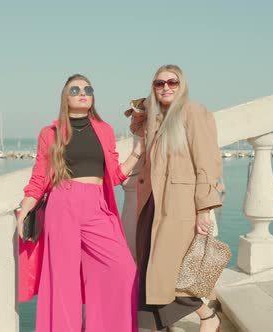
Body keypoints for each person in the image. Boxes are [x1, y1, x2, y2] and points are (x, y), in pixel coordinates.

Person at [17, 74, 143, 331]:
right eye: (75, 89)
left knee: (123, 269)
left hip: (97, 206)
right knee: (63, 283)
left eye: (88, 89)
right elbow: (39, 177)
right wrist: (26, 207)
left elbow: (115, 176)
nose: (82, 92)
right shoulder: (50, 133)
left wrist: (138, 151)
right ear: (65, 96)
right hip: (62, 204)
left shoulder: (104, 130)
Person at [134, 65, 224, 332]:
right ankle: (163, 325)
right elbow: (136, 121)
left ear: (182, 84)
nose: (166, 88)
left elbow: (206, 161)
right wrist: (146, 106)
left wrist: (204, 209)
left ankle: (207, 315)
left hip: (180, 205)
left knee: (172, 273)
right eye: (159, 84)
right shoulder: (158, 117)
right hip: (153, 203)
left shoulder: (193, 112)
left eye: (172, 82)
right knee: (152, 270)